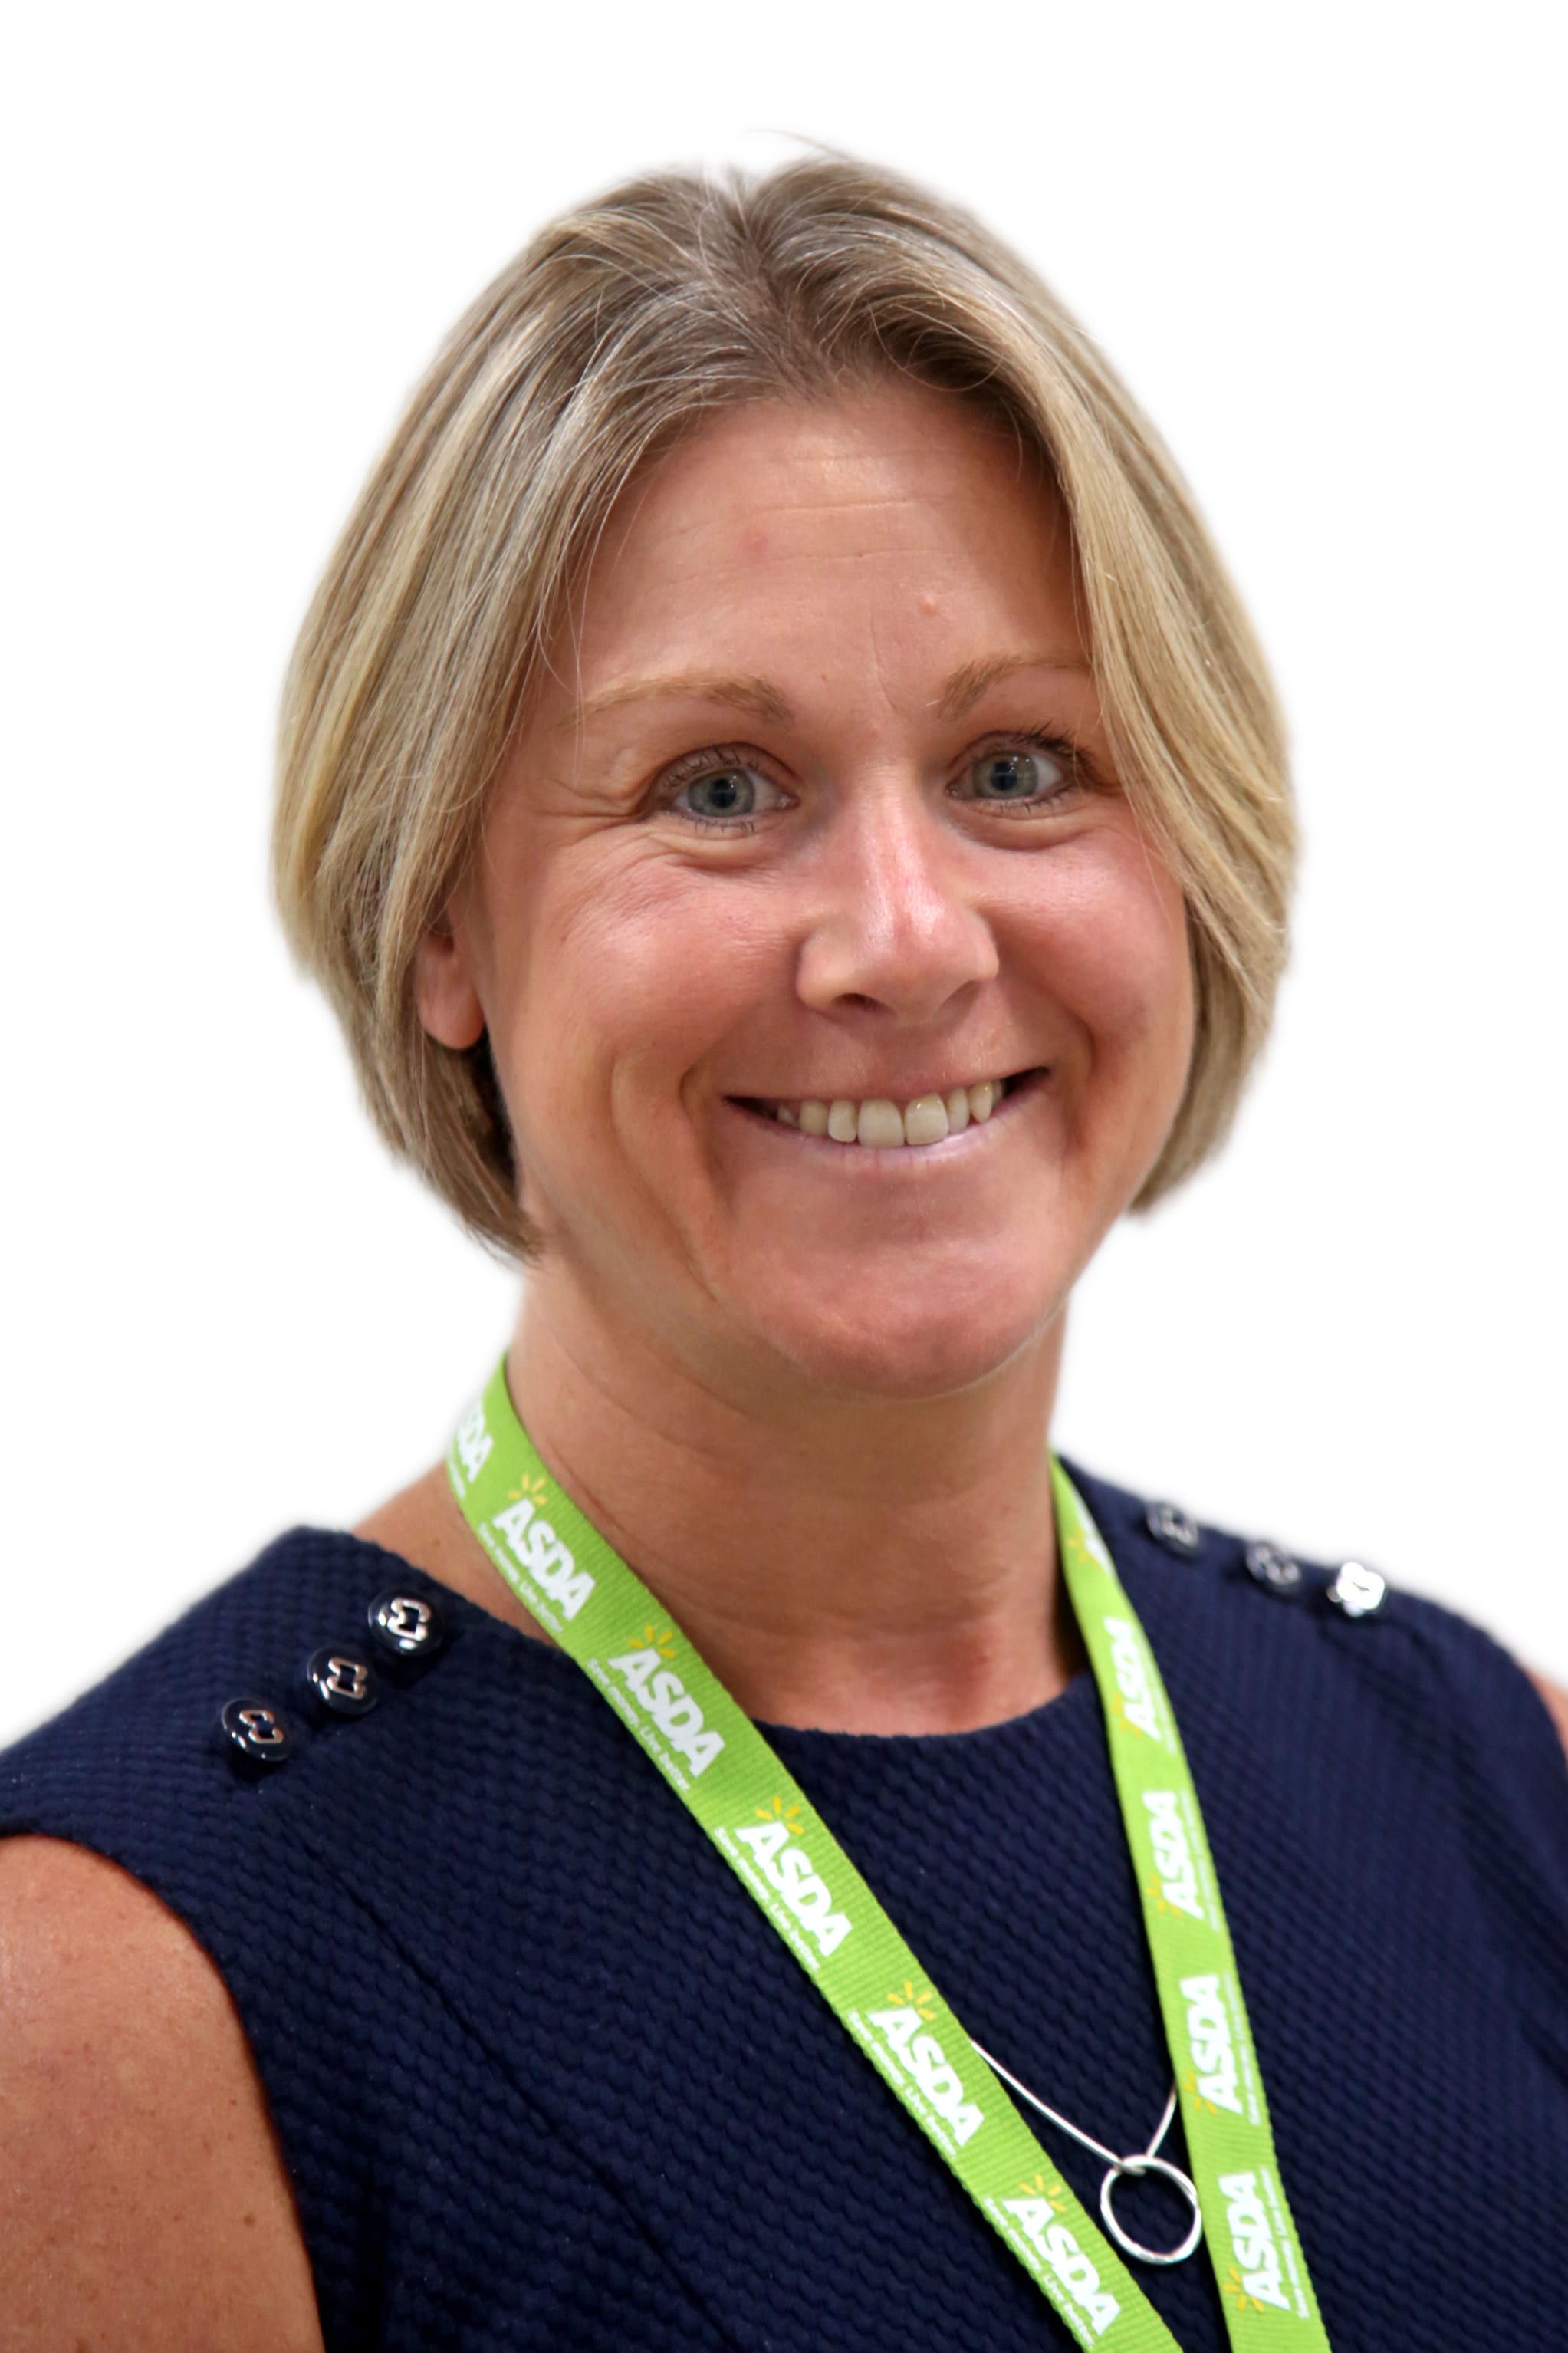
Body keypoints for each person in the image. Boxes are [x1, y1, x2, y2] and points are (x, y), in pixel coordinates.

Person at [2, 157, 1565, 2353]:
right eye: (720, 790)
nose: (908, 940)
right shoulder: (120, 2006)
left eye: (1023, 763)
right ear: (441, 915)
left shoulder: (1504, 1780)